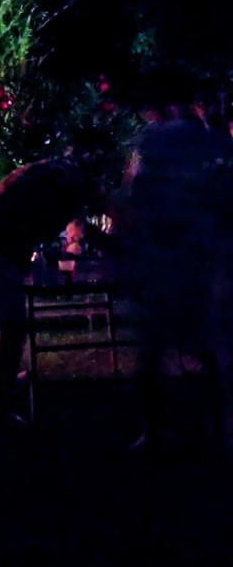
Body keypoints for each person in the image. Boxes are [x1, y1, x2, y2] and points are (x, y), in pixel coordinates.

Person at [0, 130, 119, 432]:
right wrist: (123, 247)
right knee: (13, 327)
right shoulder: (70, 183)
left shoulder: (54, 170)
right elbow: (80, 230)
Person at [119, 81, 228, 450]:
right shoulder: (213, 143)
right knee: (206, 347)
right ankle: (218, 429)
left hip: (162, 257)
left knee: (152, 352)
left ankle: (153, 432)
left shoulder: (152, 141)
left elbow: (134, 195)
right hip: (198, 257)